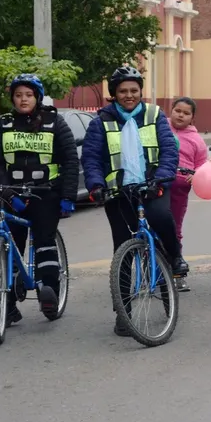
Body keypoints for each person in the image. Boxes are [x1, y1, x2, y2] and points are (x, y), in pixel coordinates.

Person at [82, 66, 185, 336]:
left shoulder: (155, 115)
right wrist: (95, 185)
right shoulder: (100, 122)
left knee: (162, 220)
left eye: (133, 90)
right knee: (122, 251)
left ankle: (174, 258)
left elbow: (168, 150)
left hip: (152, 187)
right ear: (114, 94)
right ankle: (123, 313)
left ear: (141, 91)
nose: (129, 95)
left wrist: (161, 179)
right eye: (123, 91)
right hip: (119, 193)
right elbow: (91, 158)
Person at [0, 74, 79, 322]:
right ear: (13, 99)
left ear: (37, 97)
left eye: (28, 95)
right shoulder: (5, 124)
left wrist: (68, 196)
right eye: (18, 95)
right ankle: (8, 307)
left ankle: (48, 294)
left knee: (44, 242)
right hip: (13, 195)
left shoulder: (55, 123)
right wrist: (7, 193)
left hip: (45, 194)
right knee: (10, 247)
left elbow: (71, 160)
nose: (23, 99)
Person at [168, 97, 209, 292]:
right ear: (171, 110)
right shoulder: (161, 129)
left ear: (192, 118)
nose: (180, 115)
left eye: (186, 113)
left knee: (174, 230)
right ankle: (150, 270)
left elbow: (202, 165)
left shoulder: (196, 140)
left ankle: (178, 275)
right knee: (150, 228)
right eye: (177, 111)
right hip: (156, 185)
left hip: (179, 190)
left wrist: (197, 176)